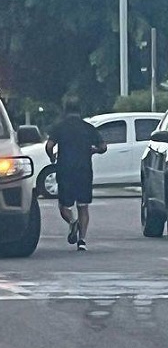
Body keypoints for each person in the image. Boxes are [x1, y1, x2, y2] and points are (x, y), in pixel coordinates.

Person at [45, 97, 107, 251]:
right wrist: (94, 150)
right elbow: (103, 146)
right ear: (80, 110)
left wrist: (52, 156)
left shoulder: (59, 127)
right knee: (83, 206)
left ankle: (72, 221)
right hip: (84, 170)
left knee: (64, 205)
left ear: (65, 110)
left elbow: (49, 145)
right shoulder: (88, 128)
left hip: (65, 169)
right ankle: (82, 241)